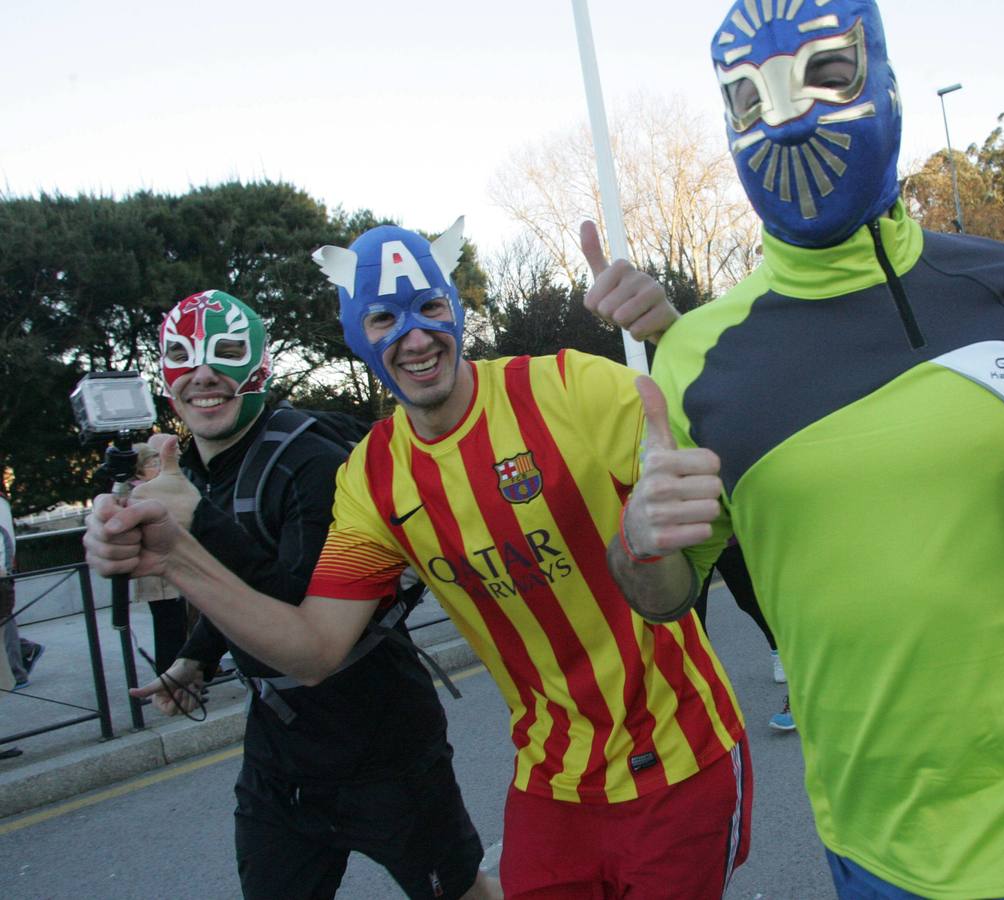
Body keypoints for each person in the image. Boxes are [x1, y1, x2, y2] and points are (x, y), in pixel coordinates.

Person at [594, 2, 1004, 897]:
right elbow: (664, 595)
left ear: (885, 79)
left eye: (827, 76)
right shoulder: (695, 356)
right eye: (748, 100)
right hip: (868, 844)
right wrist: (641, 540)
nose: (790, 119)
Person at [87, 223, 750, 900]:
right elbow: (314, 649)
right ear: (356, 333)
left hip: (681, 759)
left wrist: (673, 334)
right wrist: (176, 554)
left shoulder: (572, 388)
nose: (414, 336)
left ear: (455, 311)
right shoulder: (373, 477)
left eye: (430, 308)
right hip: (552, 785)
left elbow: (682, 562)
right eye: (383, 318)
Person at [121, 290, 496, 900]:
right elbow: (238, 590)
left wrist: (197, 531)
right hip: (280, 757)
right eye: (182, 358)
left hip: (383, 748)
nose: (203, 376)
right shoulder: (192, 471)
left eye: (227, 353)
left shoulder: (309, 461)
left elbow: (302, 626)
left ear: (260, 365)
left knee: (458, 893)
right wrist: (197, 657)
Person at [691, 540, 793, 730]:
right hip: (688, 545)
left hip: (725, 537)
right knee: (694, 618)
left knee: (750, 600)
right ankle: (710, 687)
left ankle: (779, 651)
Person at [128, 444, 187, 672]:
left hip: (169, 571)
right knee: (169, 629)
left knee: (176, 627)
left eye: (158, 463)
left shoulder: (153, 490)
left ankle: (177, 677)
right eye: (152, 464)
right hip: (158, 575)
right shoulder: (138, 494)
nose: (158, 468)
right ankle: (171, 678)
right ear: (138, 470)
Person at [1, 486, 42, 693]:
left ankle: (16, 673)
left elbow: (4, 540)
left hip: (1, 575)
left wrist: (5, 571)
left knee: (4, 622)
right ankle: (26, 649)